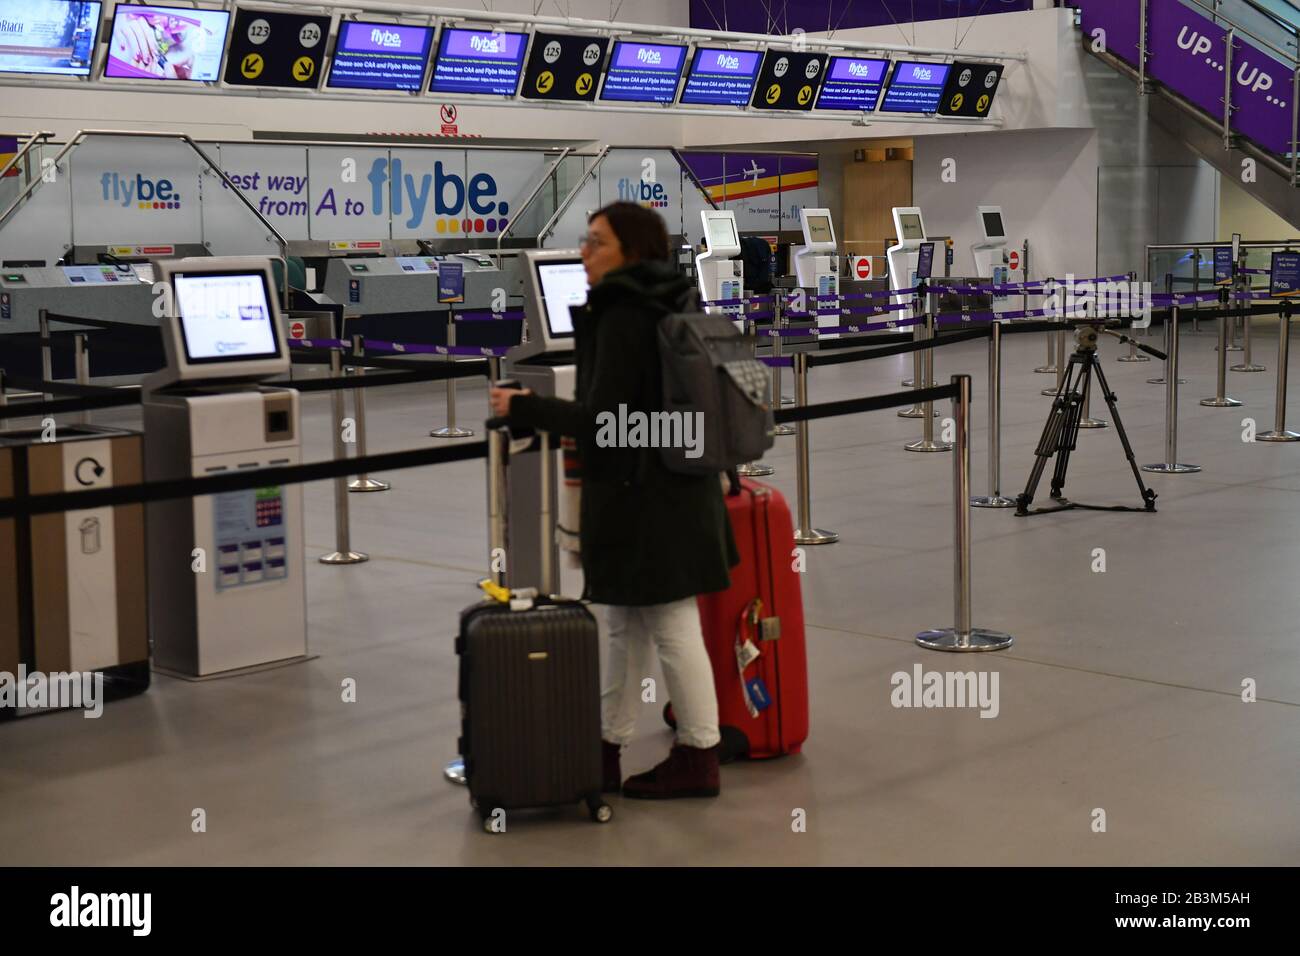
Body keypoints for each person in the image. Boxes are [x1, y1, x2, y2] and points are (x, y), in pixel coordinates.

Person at [489, 202, 738, 800]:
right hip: (675, 487)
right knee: (627, 624)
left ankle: (699, 753)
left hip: (643, 499)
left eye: (597, 242)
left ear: (629, 250)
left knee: (671, 625)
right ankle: (606, 745)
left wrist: (522, 407)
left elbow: (606, 421)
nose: (584, 252)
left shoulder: (624, 313)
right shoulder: (673, 297)